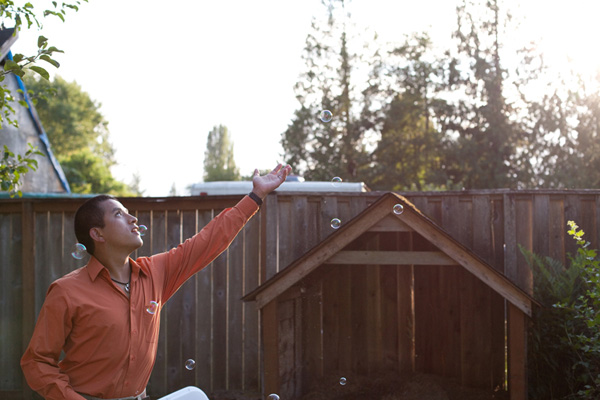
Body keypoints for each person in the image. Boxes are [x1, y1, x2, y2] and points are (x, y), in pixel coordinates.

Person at [21, 164, 292, 400]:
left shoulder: (154, 273)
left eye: (128, 212)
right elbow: (36, 362)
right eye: (118, 214)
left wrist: (255, 196)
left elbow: (207, 242)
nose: (133, 218)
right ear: (97, 234)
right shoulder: (66, 291)